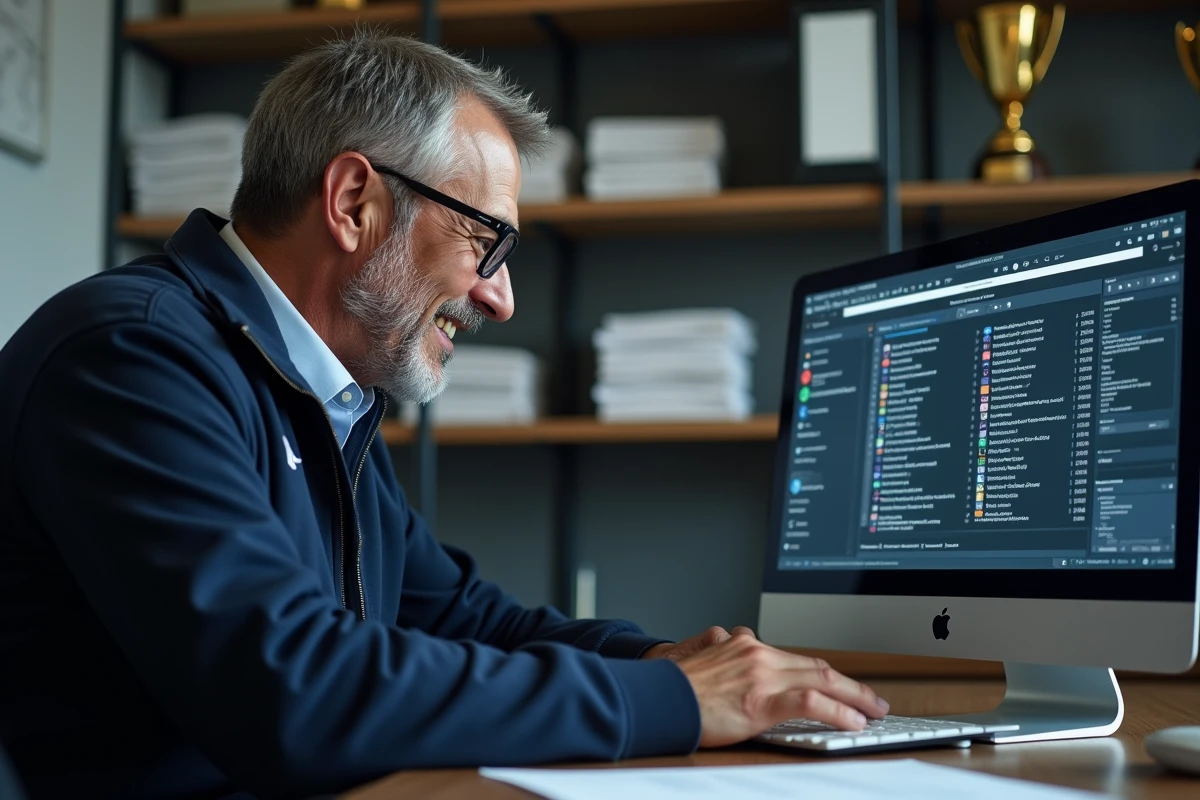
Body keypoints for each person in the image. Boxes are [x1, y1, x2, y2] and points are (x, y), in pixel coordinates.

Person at [0, 31, 887, 799]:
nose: (500, 299)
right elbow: (292, 689)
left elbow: (464, 617)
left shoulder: (325, 389)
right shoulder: (130, 359)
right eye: (485, 241)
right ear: (355, 203)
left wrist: (672, 665)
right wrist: (680, 703)